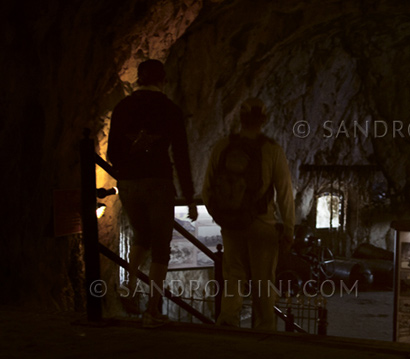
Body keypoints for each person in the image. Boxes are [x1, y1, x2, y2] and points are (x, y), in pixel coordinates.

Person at [107, 59, 198, 328]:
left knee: (141, 236)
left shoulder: (123, 107)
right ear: (163, 81)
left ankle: (130, 283)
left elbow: (112, 152)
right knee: (160, 249)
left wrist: (127, 171)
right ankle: (152, 310)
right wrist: (189, 196)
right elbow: (180, 154)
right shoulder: (169, 109)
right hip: (158, 181)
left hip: (129, 183)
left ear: (138, 79)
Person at [202, 98, 295, 330]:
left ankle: (228, 323)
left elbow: (206, 190)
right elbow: (285, 193)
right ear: (264, 119)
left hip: (232, 225)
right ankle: (264, 330)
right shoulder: (272, 150)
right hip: (263, 225)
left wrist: (222, 216)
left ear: (240, 119)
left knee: (233, 276)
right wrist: (289, 229)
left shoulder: (222, 146)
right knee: (263, 281)